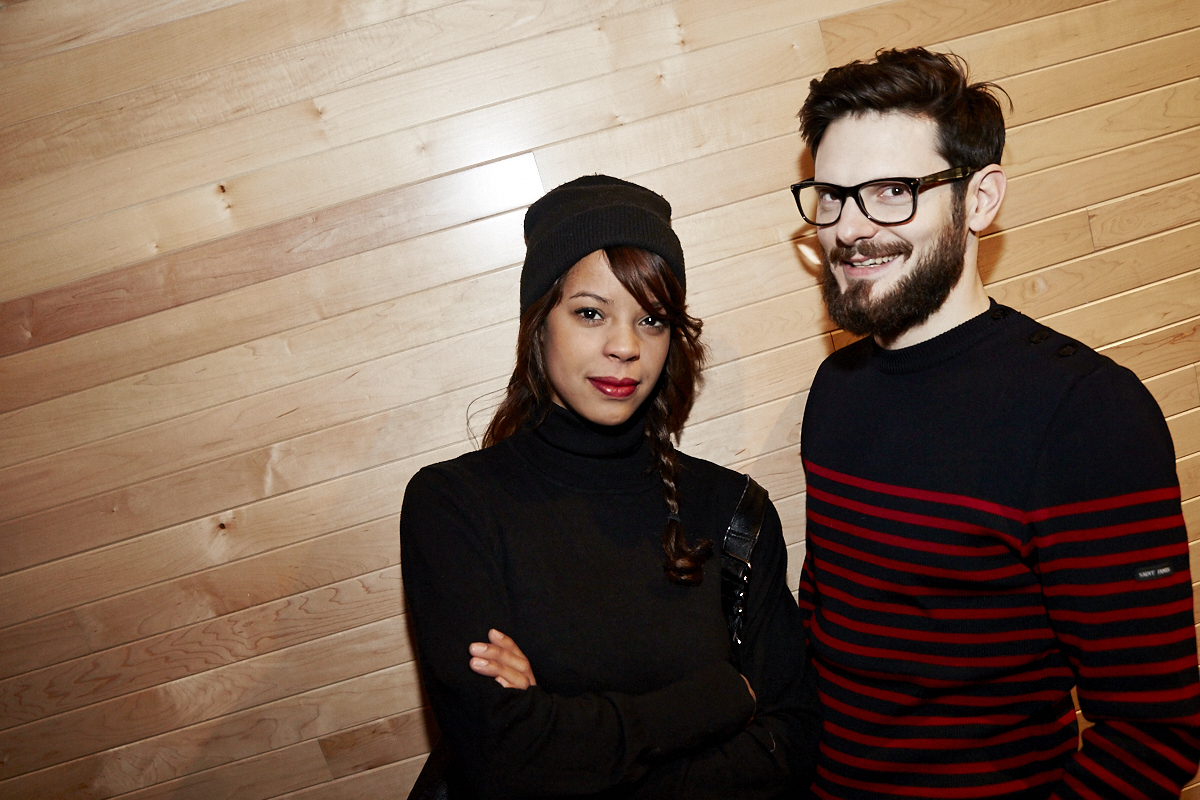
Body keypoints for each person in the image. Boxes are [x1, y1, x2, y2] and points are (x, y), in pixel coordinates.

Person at [790, 48, 1200, 799]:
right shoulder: (835, 389)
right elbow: (836, 642)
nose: (849, 229)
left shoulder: (1084, 414)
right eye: (832, 196)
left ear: (980, 200)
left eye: (891, 191)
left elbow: (1157, 734)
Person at [400, 175, 820, 799]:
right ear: (539, 323)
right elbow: (499, 756)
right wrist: (717, 701)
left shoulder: (732, 510)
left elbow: (791, 743)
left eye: (650, 318)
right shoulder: (454, 506)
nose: (624, 346)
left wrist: (565, 735)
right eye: (590, 312)